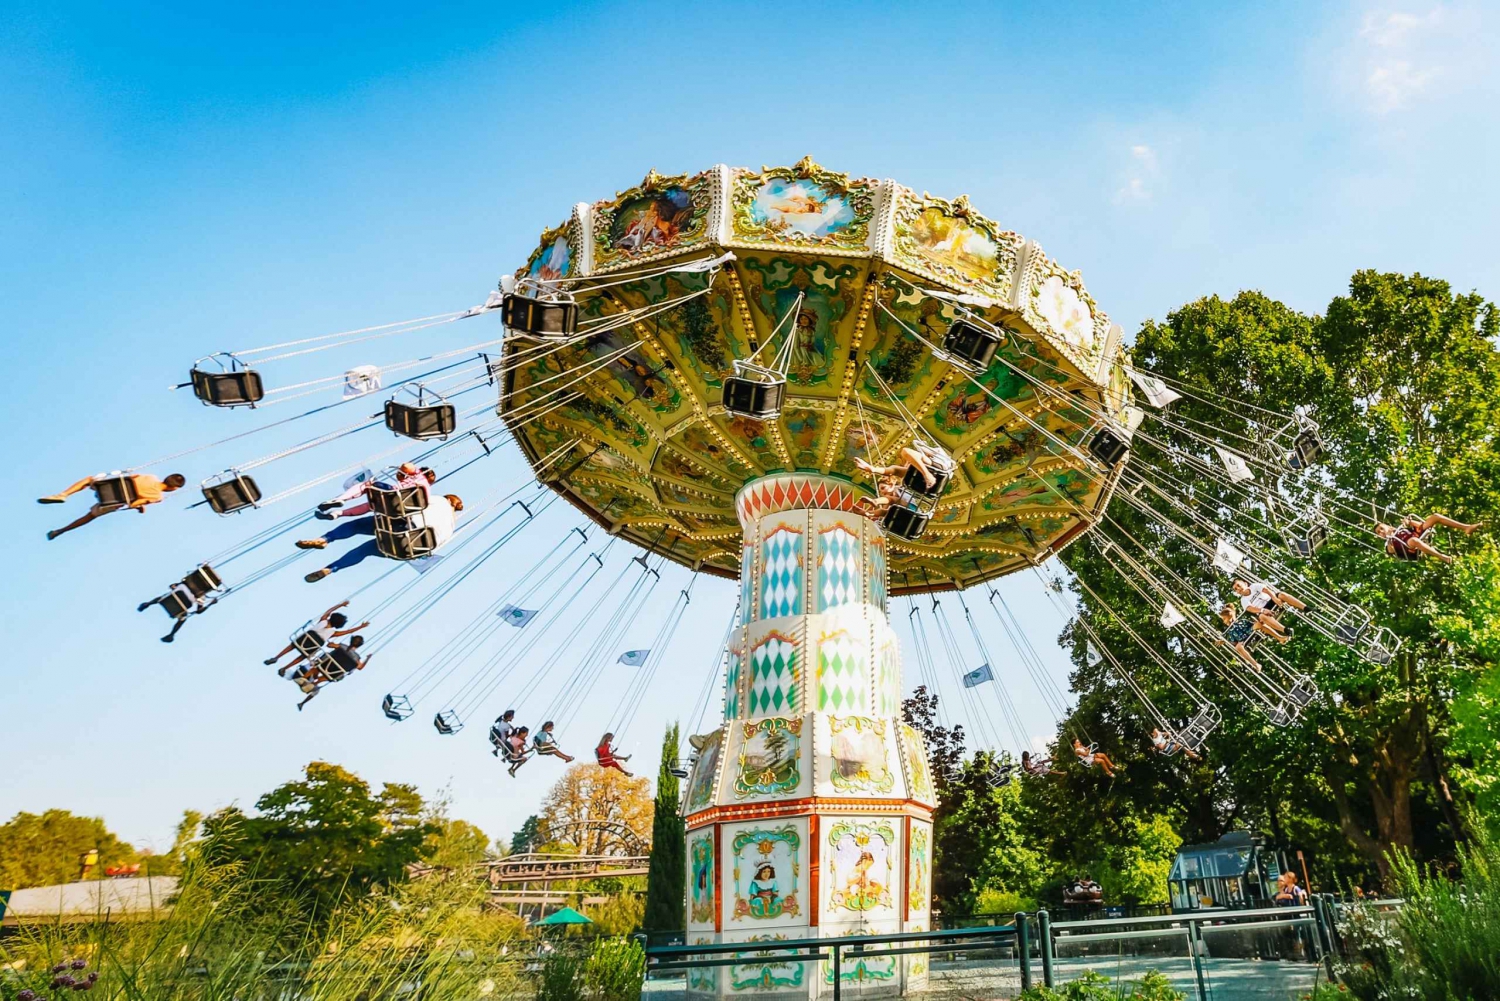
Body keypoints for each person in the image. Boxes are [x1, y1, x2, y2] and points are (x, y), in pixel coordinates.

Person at [299, 493, 463, 582]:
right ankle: (331, 569)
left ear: (449, 499)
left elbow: (413, 502)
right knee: (365, 550)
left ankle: (326, 539)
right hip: (406, 549)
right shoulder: (451, 528)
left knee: (356, 526)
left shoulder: (440, 500)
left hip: (402, 527)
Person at [40, 472, 186, 540]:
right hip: (112, 501)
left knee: (88, 479)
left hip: (108, 487)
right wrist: (141, 508)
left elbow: (131, 478)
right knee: (90, 516)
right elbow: (133, 503)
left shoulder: (151, 477)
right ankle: (60, 531)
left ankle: (63, 494)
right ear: (174, 488)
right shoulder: (157, 497)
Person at [263, 600, 369, 673]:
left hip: (301, 641)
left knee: (293, 645)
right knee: (303, 656)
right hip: (310, 648)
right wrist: (360, 627)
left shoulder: (323, 620)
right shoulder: (333, 632)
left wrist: (341, 605)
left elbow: (329, 611)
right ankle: (285, 668)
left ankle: (276, 657)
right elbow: (347, 631)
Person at [317, 464, 436, 519]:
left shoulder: (419, 474)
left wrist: (404, 473)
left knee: (367, 485)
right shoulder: (427, 493)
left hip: (393, 494)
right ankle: (337, 514)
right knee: (371, 506)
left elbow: (406, 466)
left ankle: (340, 499)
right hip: (398, 510)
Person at [289, 636, 370, 710]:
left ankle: (304, 679)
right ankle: (313, 684)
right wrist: (367, 658)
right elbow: (360, 667)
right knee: (322, 682)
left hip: (324, 664)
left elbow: (329, 646)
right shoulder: (356, 657)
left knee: (317, 667)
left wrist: (333, 643)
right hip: (333, 673)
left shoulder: (341, 646)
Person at [1375, 513, 1480, 563]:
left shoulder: (1401, 528)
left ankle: (1466, 527)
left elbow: (1420, 525)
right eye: (1379, 532)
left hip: (1416, 534)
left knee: (1435, 516)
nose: (1381, 532)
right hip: (1409, 547)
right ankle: (1442, 556)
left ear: (1386, 525)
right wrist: (1389, 538)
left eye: (1381, 528)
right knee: (1414, 541)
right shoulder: (1388, 542)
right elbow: (1391, 551)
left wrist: (1409, 522)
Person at [854, 442, 952, 492]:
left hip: (937, 470)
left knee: (906, 453)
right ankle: (927, 474)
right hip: (927, 481)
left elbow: (895, 469)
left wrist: (872, 469)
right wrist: (872, 469)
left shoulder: (929, 459)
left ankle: (927, 474)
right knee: (906, 455)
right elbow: (894, 470)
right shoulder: (910, 475)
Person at [137, 582, 216, 643]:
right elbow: (199, 611)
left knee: (165, 597)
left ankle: (147, 604)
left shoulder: (188, 581)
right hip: (187, 601)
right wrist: (210, 604)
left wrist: (174, 586)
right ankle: (172, 634)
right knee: (183, 618)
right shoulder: (202, 595)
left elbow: (171, 586)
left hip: (178, 592)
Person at [1219, 604, 1271, 672]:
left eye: (1224, 619)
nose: (1223, 622)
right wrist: (1224, 641)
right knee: (1238, 647)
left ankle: (1279, 637)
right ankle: (1255, 664)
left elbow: (1251, 624)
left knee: (1259, 624)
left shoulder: (1241, 621)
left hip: (1251, 633)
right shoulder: (1230, 631)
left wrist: (1257, 623)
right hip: (1244, 641)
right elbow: (1234, 642)